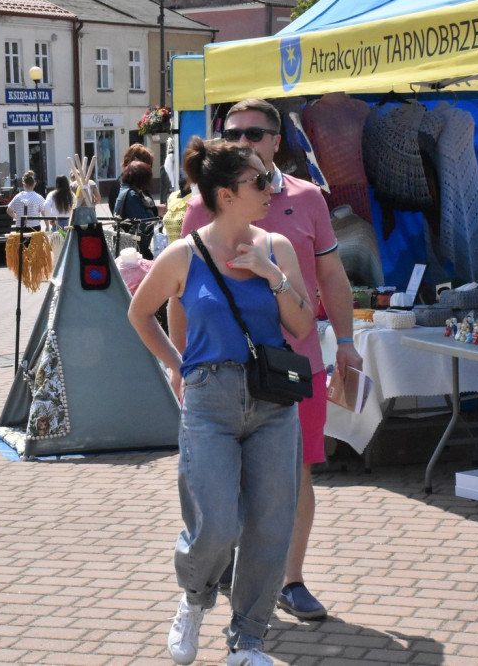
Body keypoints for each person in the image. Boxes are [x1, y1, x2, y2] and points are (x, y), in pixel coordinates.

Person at [128, 136, 314, 666]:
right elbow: (139, 313)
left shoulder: (277, 246)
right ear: (228, 194)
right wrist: (177, 364)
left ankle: (248, 639)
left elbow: (301, 324)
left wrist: (271, 274)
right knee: (216, 523)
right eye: (259, 180)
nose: (270, 187)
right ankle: (194, 598)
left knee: (269, 523)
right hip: (209, 400)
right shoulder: (183, 254)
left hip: (272, 402)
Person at [176, 98, 363, 621]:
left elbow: (332, 277)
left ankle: (291, 579)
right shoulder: (204, 203)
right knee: (228, 475)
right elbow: (181, 291)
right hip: (225, 367)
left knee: (295, 474)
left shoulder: (307, 199)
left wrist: (345, 340)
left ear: (277, 141)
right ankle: (233, 567)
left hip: (292, 364)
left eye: (255, 134)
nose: (243, 143)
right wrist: (182, 363)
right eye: (233, 134)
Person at [114, 161, 158, 258]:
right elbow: (145, 221)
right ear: (141, 179)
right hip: (133, 250)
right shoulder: (131, 195)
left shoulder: (123, 189)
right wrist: (152, 210)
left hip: (124, 246)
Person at [108, 143, 154, 211]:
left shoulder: (136, 184)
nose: (148, 171)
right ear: (135, 163)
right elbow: (135, 213)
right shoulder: (124, 188)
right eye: (146, 167)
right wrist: (156, 211)